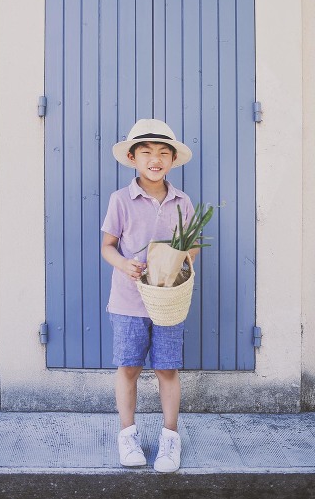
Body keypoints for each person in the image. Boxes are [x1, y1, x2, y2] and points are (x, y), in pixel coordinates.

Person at [100, 118, 197, 473]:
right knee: (128, 367)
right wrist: (125, 264)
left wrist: (176, 261)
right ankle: (128, 435)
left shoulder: (182, 202)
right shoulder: (121, 200)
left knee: (167, 368)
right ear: (133, 157)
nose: (154, 159)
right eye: (146, 152)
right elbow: (108, 246)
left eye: (162, 153)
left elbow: (192, 247)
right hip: (128, 301)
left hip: (168, 301)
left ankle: (170, 439)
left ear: (172, 160)